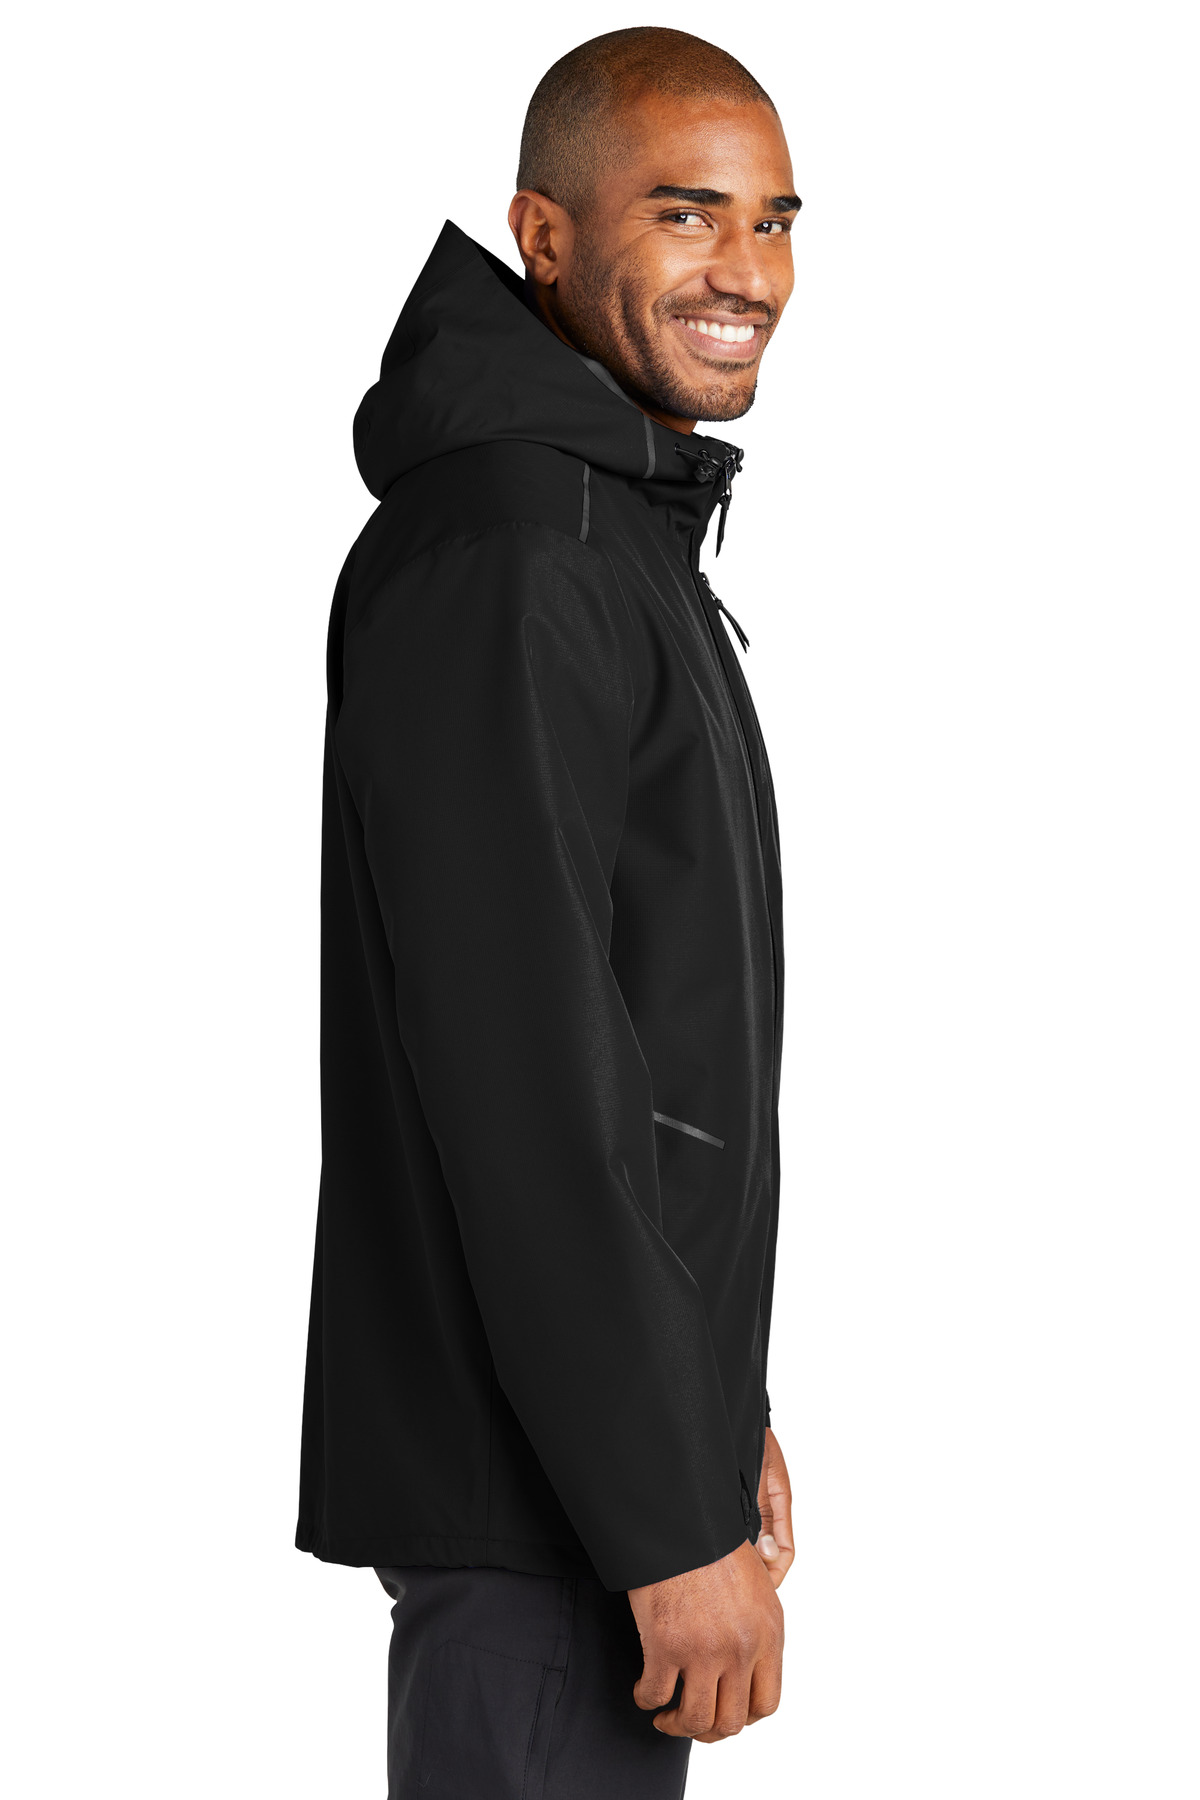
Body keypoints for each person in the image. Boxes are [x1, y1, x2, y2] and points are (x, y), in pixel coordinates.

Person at [297, 26, 800, 1797]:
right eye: (686, 213)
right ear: (546, 234)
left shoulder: (607, 536)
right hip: (549, 1508)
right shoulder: (524, 552)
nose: (746, 272)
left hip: (584, 1481)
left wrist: (713, 1413)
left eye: (771, 220)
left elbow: (643, 1039)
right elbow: (524, 1081)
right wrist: (663, 1511)